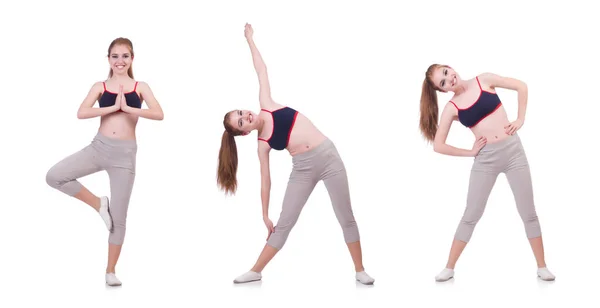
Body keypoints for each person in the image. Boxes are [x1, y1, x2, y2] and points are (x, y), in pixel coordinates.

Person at [217, 24, 375, 285]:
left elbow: (261, 70)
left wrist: (250, 40)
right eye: (241, 122)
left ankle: (360, 270)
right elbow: (265, 180)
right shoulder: (262, 144)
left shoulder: (266, 104)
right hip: (302, 168)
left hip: (328, 156)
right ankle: (255, 271)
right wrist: (264, 214)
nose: (246, 116)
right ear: (243, 133)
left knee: (345, 215)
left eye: (242, 113)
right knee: (284, 222)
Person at [45, 37, 165, 287]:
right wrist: (112, 108)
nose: (120, 61)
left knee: (119, 218)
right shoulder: (99, 86)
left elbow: (159, 113)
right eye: (115, 56)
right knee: (54, 176)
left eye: (125, 56)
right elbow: (82, 112)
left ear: (132, 59)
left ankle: (110, 271)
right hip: (98, 148)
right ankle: (98, 203)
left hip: (125, 155)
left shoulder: (140, 86)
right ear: (108, 59)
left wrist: (129, 109)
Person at [419, 64, 555, 282]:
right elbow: (438, 145)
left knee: (528, 211)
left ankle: (542, 266)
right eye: (442, 83)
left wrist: (520, 119)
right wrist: (470, 152)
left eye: (446, 73)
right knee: (471, 214)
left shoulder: (484, 79)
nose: (448, 79)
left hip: (514, 153)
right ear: (442, 91)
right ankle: (449, 267)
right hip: (486, 160)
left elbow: (521, 86)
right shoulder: (452, 108)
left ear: (450, 67)